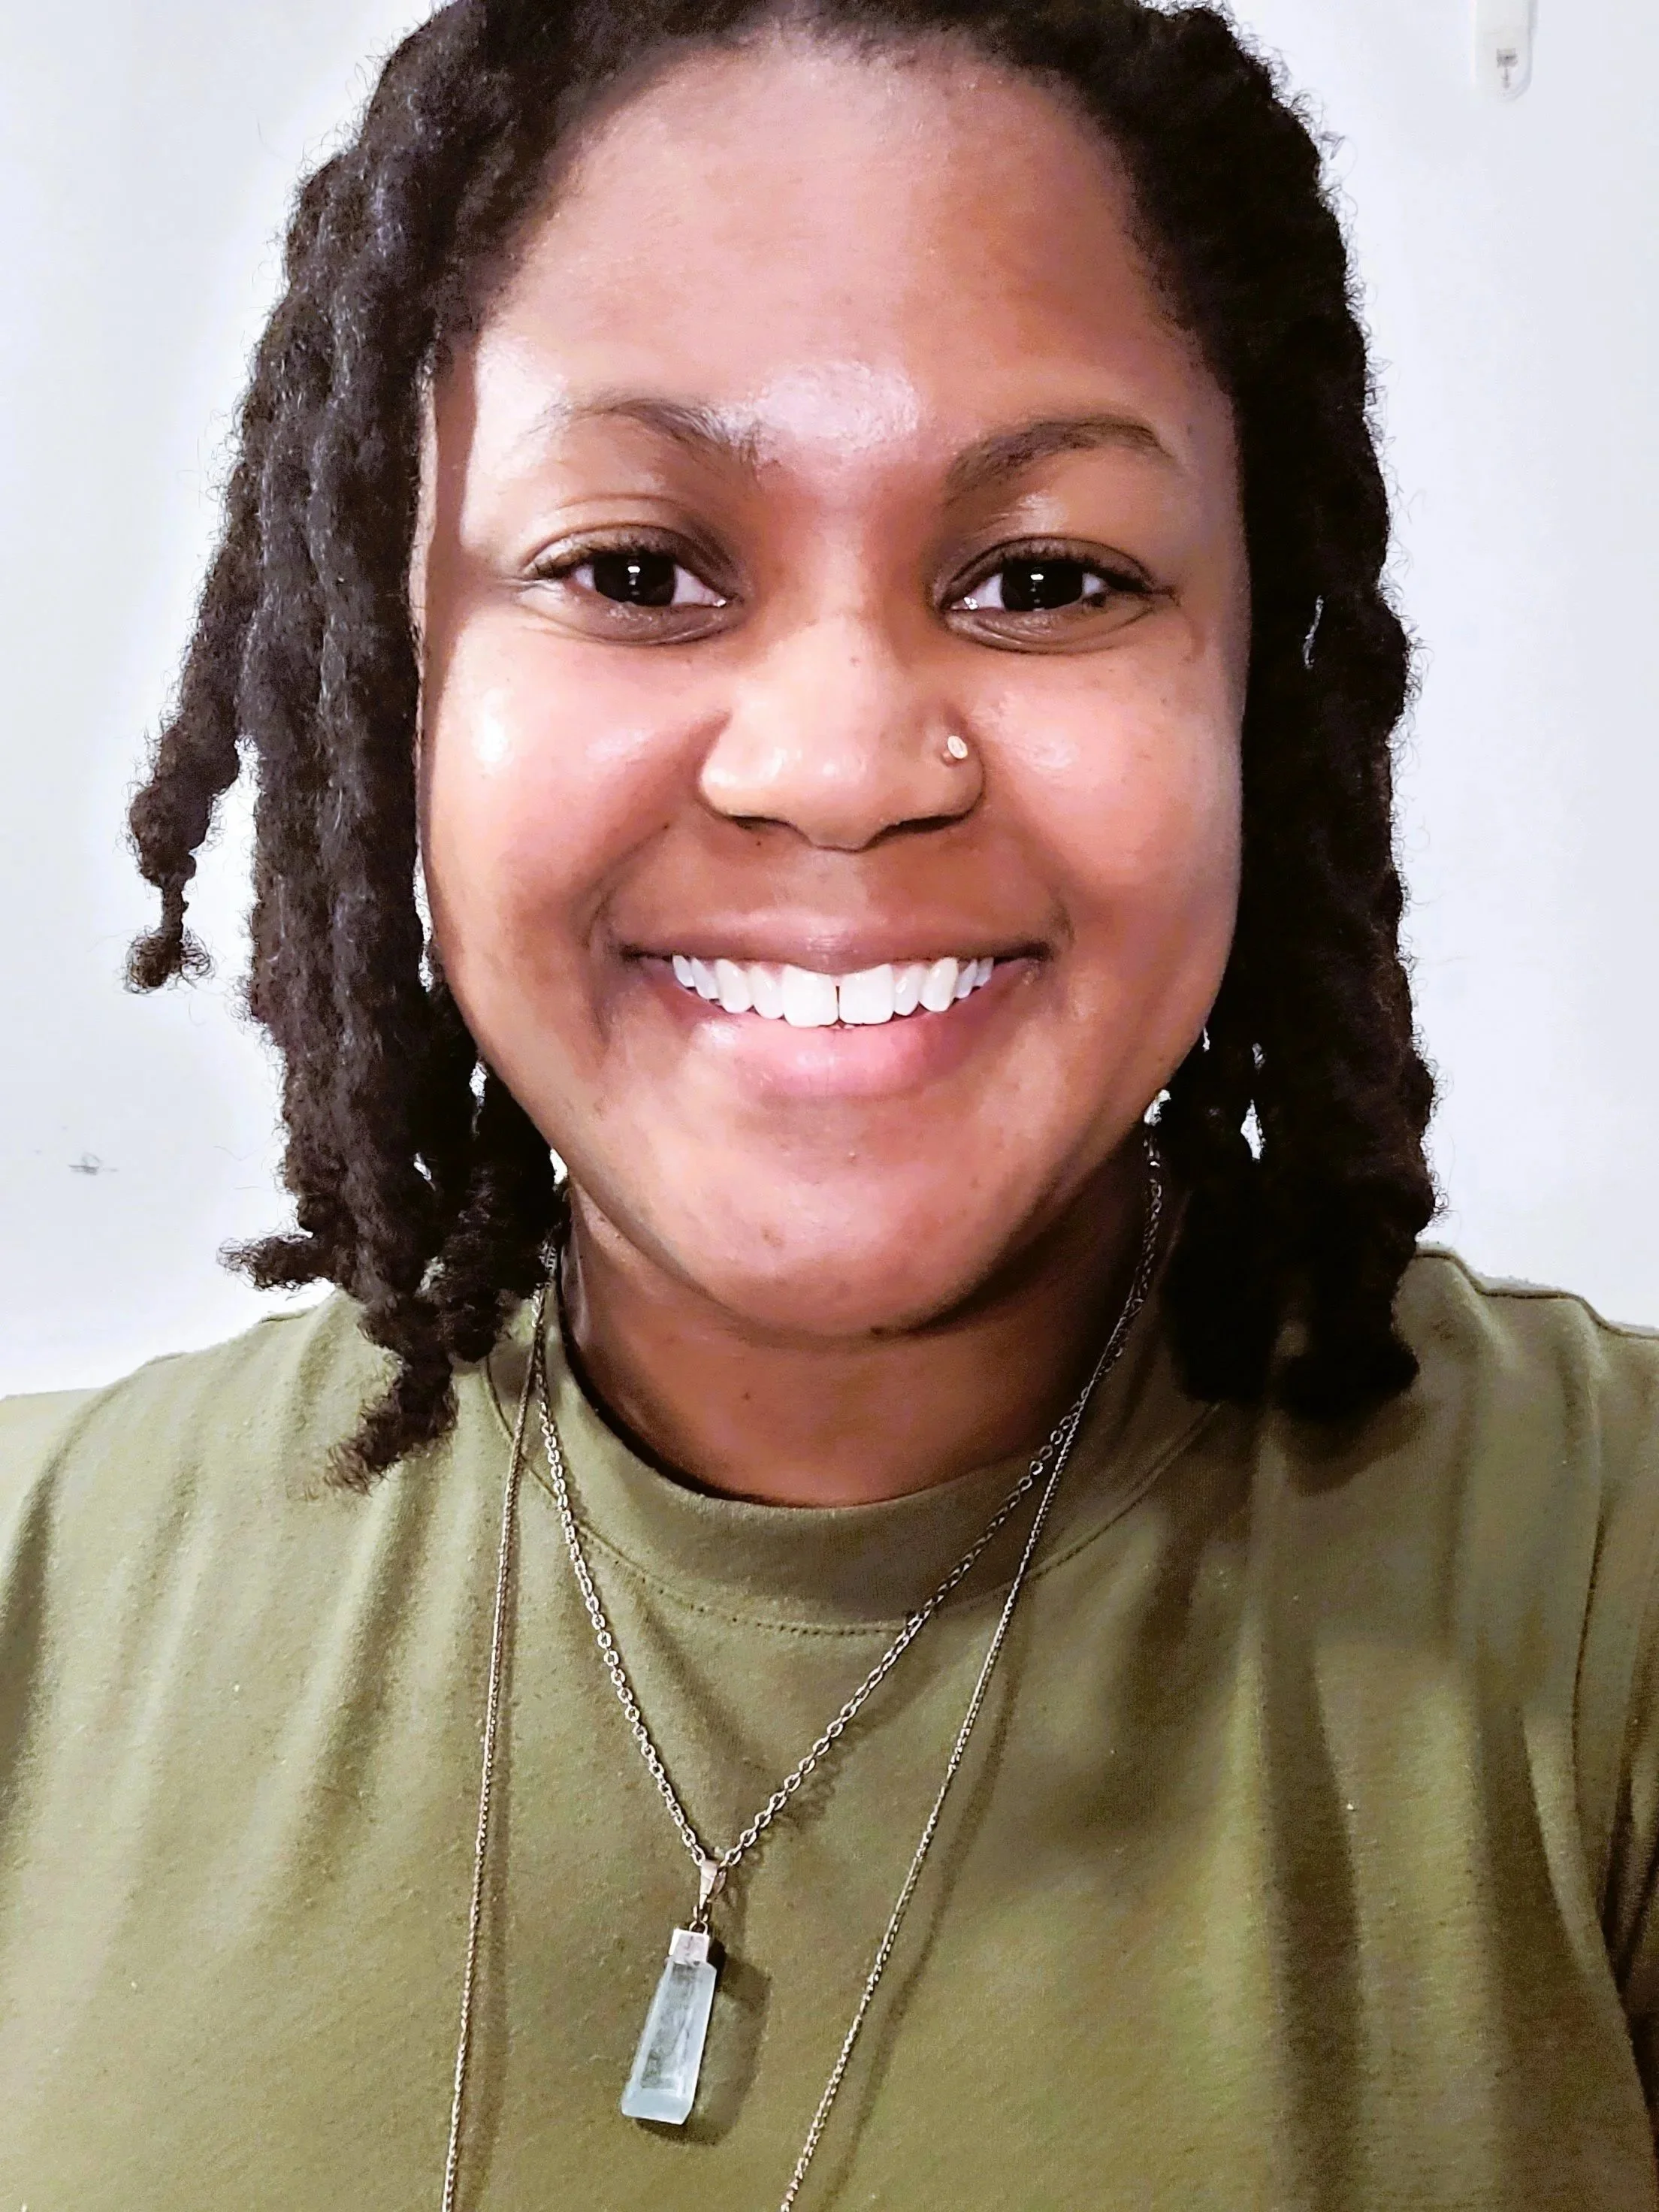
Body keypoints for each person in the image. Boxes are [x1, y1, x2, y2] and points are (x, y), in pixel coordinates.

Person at [3, 1, 1657, 2204]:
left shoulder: (1610, 1597)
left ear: (1253, 687)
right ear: (400, 683)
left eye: (1044, 579)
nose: (842, 767)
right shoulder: (38, 1597)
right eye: (635, 572)